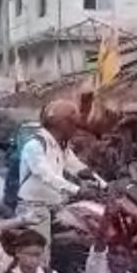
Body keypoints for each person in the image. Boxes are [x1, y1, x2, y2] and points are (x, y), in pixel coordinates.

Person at [15, 100, 89, 240]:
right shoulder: (35, 145)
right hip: (35, 208)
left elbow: (76, 166)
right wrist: (77, 190)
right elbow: (47, 175)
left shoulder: (61, 146)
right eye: (73, 124)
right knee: (41, 254)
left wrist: (102, 184)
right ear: (62, 124)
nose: (76, 129)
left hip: (56, 206)